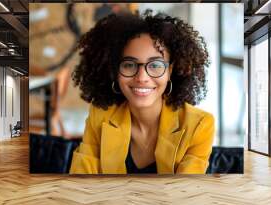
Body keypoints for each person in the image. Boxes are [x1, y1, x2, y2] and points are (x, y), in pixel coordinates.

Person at [69, 10, 214, 174]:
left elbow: (184, 193)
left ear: (170, 71)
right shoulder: (100, 116)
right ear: (115, 71)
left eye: (155, 65)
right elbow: (81, 182)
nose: (142, 78)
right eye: (129, 64)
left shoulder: (199, 125)